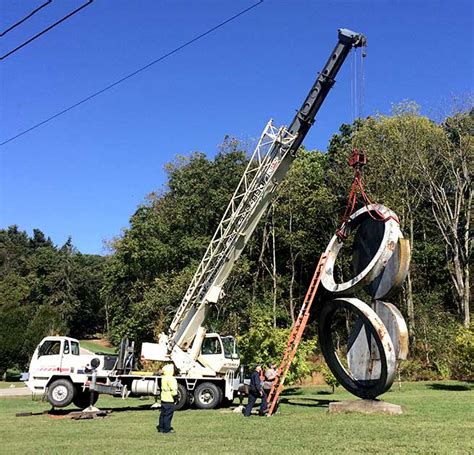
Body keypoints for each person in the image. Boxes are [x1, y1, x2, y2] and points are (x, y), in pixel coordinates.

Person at [158, 364, 178, 434]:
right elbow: (173, 389)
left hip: (163, 399)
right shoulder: (171, 379)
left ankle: (161, 428)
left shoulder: (163, 378)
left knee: (162, 414)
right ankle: (167, 429)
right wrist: (175, 396)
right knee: (168, 415)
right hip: (169, 399)